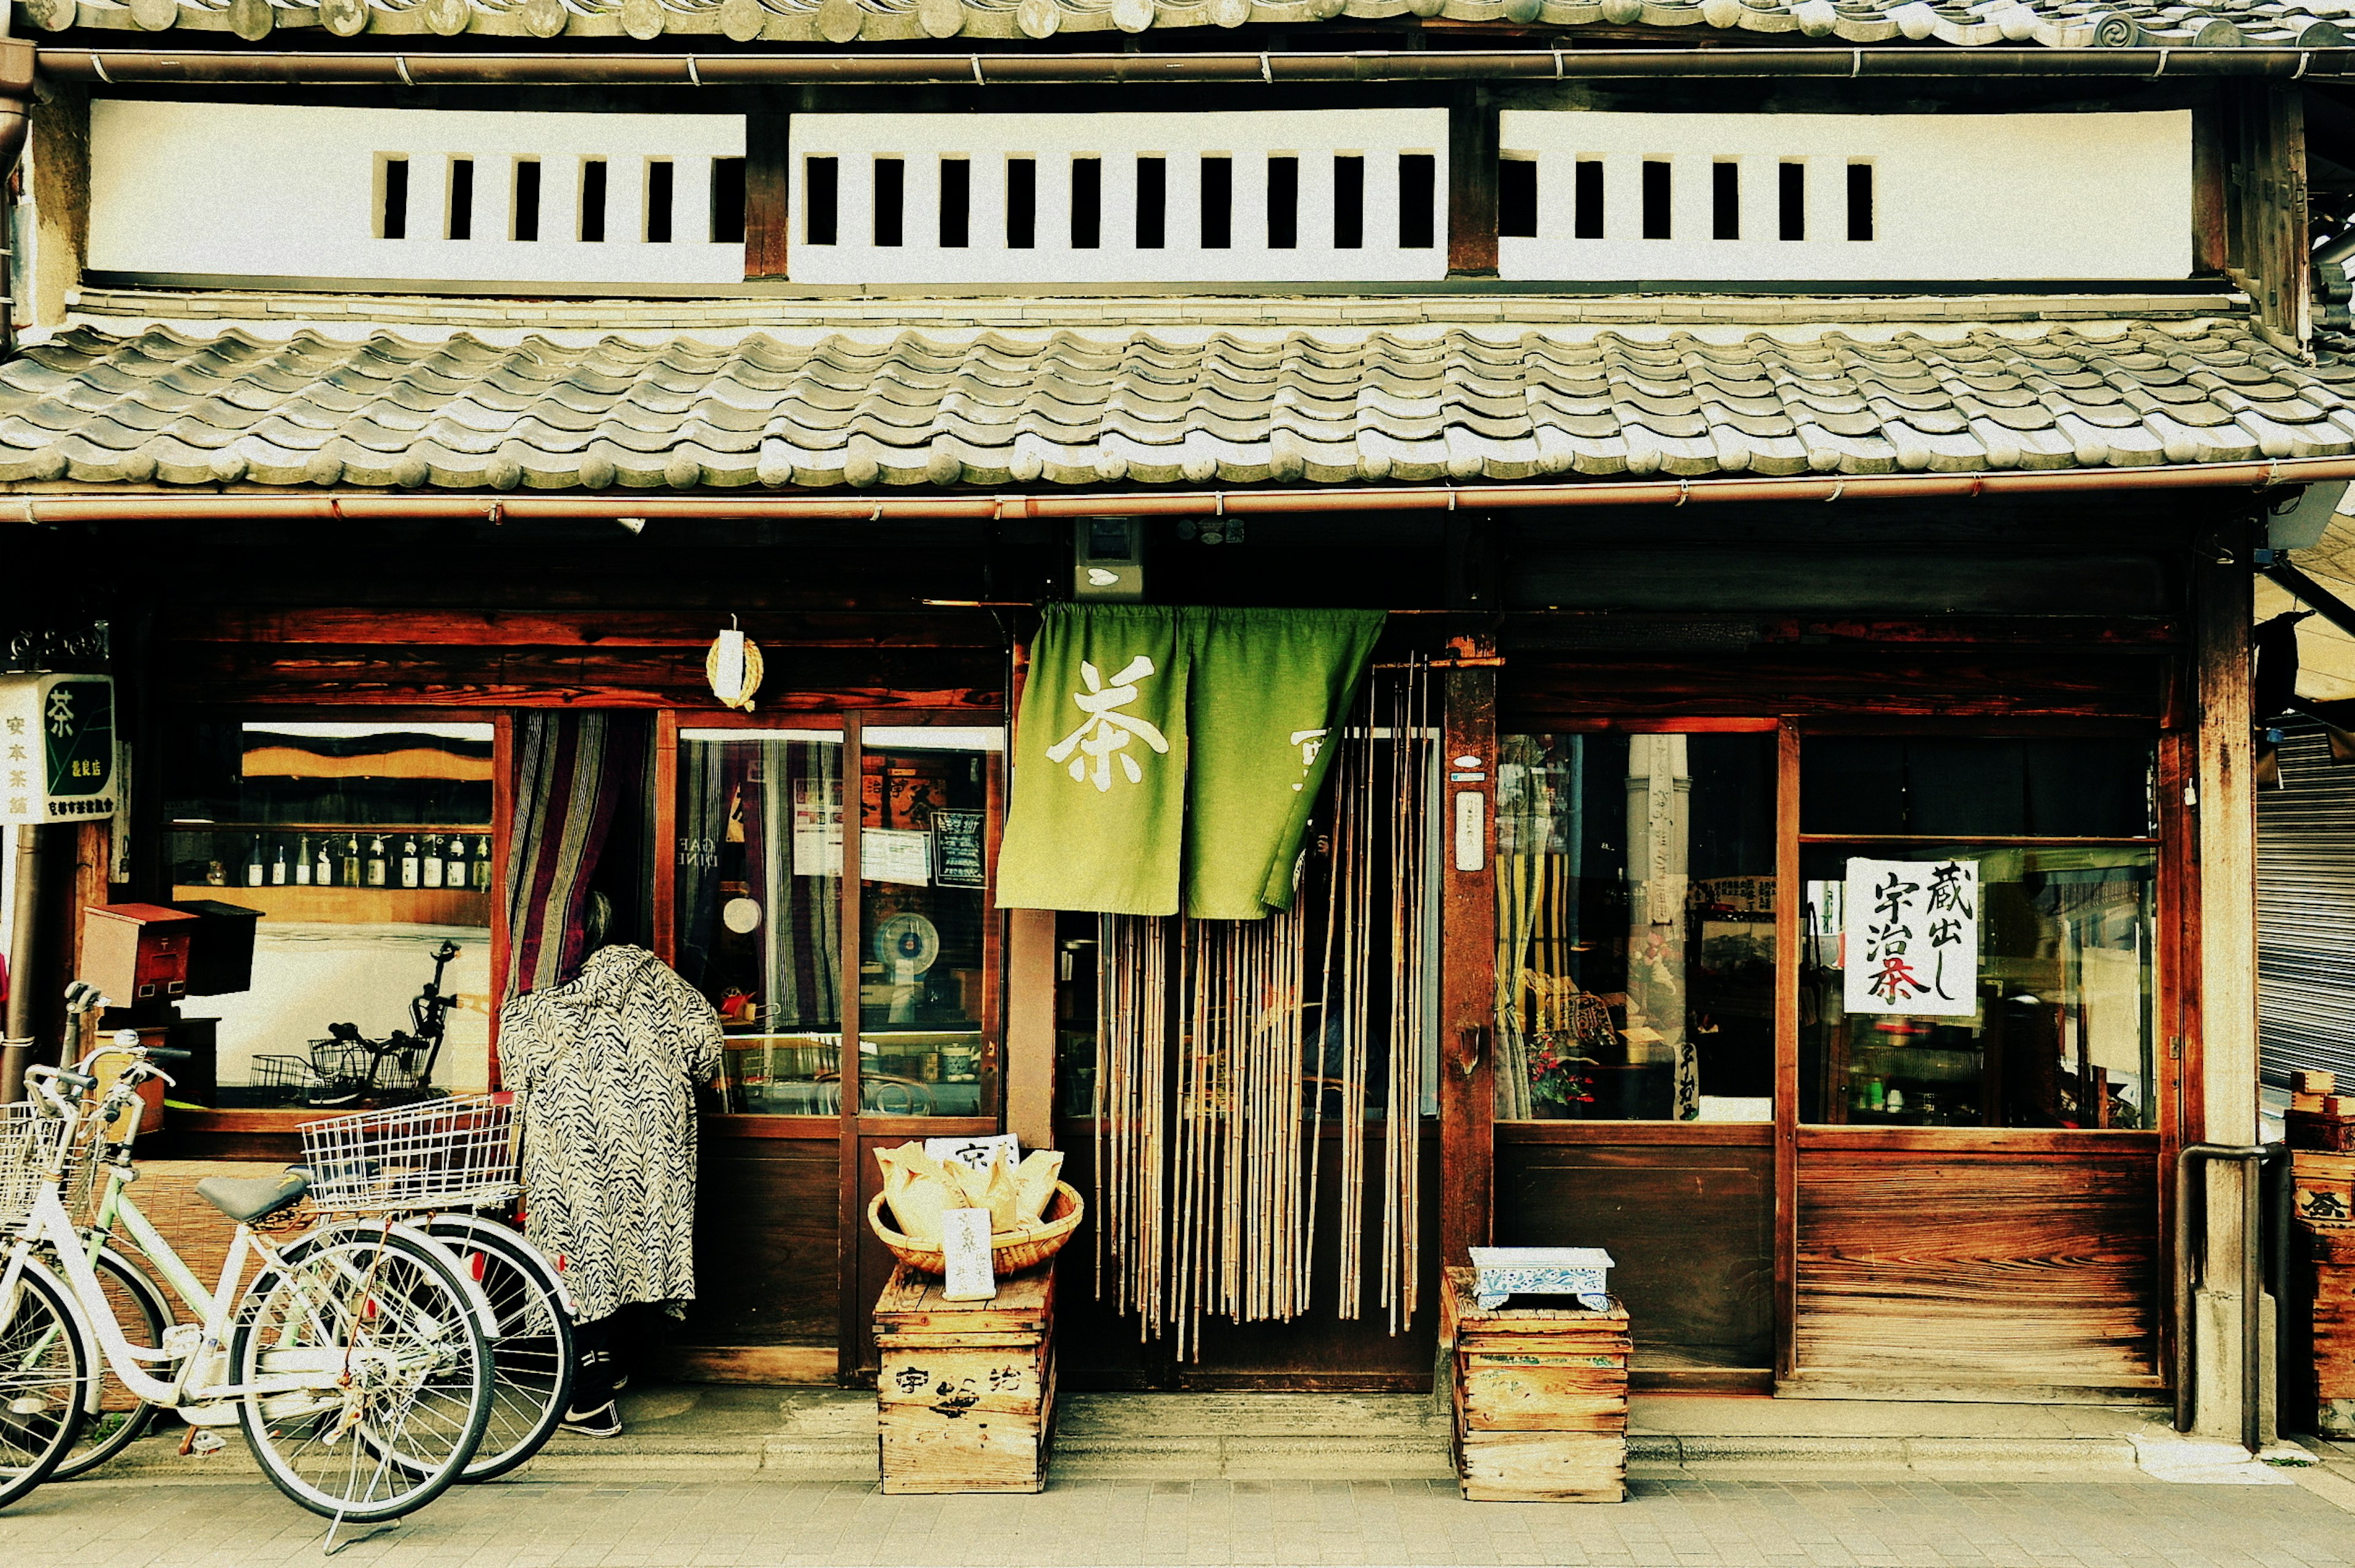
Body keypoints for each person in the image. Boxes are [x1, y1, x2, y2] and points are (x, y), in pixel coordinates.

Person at [498, 893, 722, 1438]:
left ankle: (588, 1396)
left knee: (581, 1252)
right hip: (653, 1142)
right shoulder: (658, 979)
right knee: (637, 1244)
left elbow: (514, 1070)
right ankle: (616, 1364)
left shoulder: (536, 1000)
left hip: (571, 1145)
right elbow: (708, 1047)